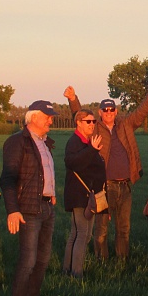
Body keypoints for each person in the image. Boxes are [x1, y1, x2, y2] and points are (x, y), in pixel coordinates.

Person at [65, 78, 148, 261]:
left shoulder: (126, 124)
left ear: (116, 111)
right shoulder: (94, 127)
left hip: (125, 185)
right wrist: (72, 99)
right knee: (101, 227)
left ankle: (122, 259)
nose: (109, 113)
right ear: (100, 112)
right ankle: (101, 260)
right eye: (105, 110)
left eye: (112, 110)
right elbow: (80, 116)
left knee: (123, 227)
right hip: (105, 186)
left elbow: (142, 111)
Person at [1, 100, 58, 296]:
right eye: (47, 116)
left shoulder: (45, 143)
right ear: (33, 117)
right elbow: (8, 178)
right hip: (28, 209)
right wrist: (12, 210)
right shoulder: (18, 142)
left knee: (42, 260)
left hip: (46, 207)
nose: (51, 120)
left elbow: (44, 173)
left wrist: (51, 194)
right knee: (28, 260)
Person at [63, 109, 106, 279]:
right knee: (81, 233)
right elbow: (72, 162)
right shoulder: (74, 142)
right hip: (79, 195)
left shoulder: (87, 141)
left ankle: (68, 270)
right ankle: (76, 273)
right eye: (88, 121)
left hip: (89, 195)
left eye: (94, 121)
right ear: (78, 123)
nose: (92, 124)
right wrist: (92, 150)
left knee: (81, 234)